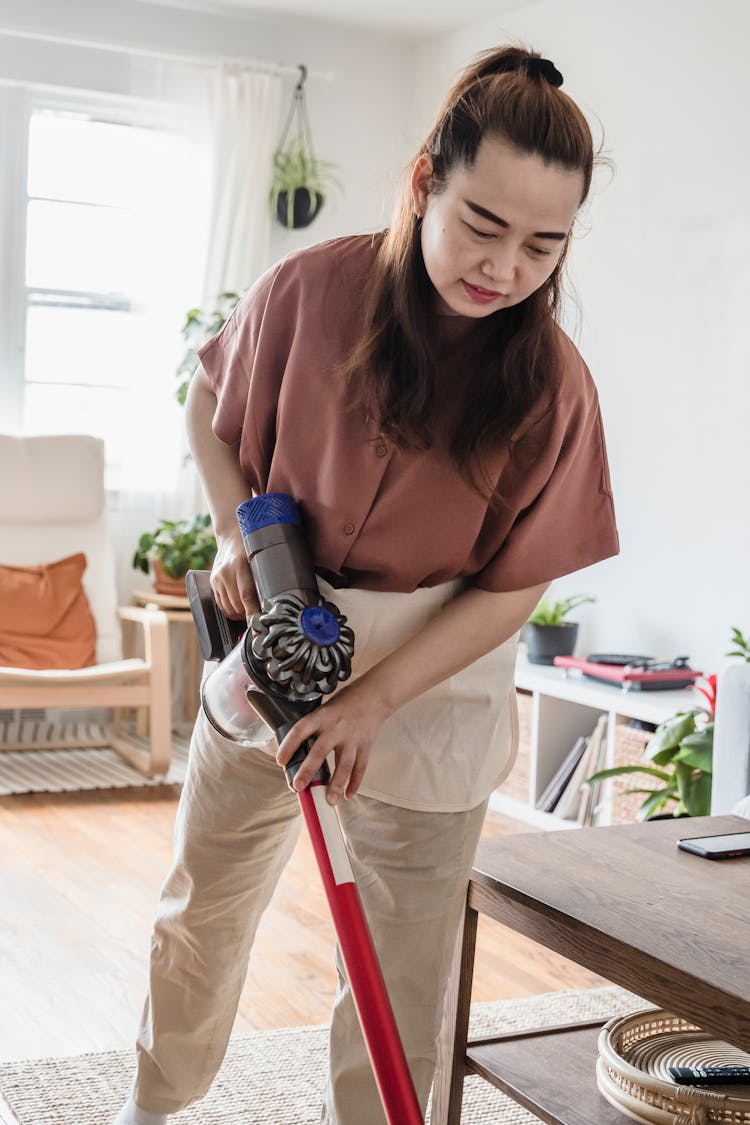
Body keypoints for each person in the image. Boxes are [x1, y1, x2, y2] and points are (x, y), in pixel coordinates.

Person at [114, 44, 618, 1125]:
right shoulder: (311, 291)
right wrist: (231, 531)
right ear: (425, 177)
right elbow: (208, 402)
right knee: (203, 911)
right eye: (483, 224)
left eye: (545, 244)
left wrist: (373, 702)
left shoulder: (551, 385)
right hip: (276, 638)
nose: (506, 267)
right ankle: (151, 1106)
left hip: (429, 676)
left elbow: (515, 582)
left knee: (405, 972)